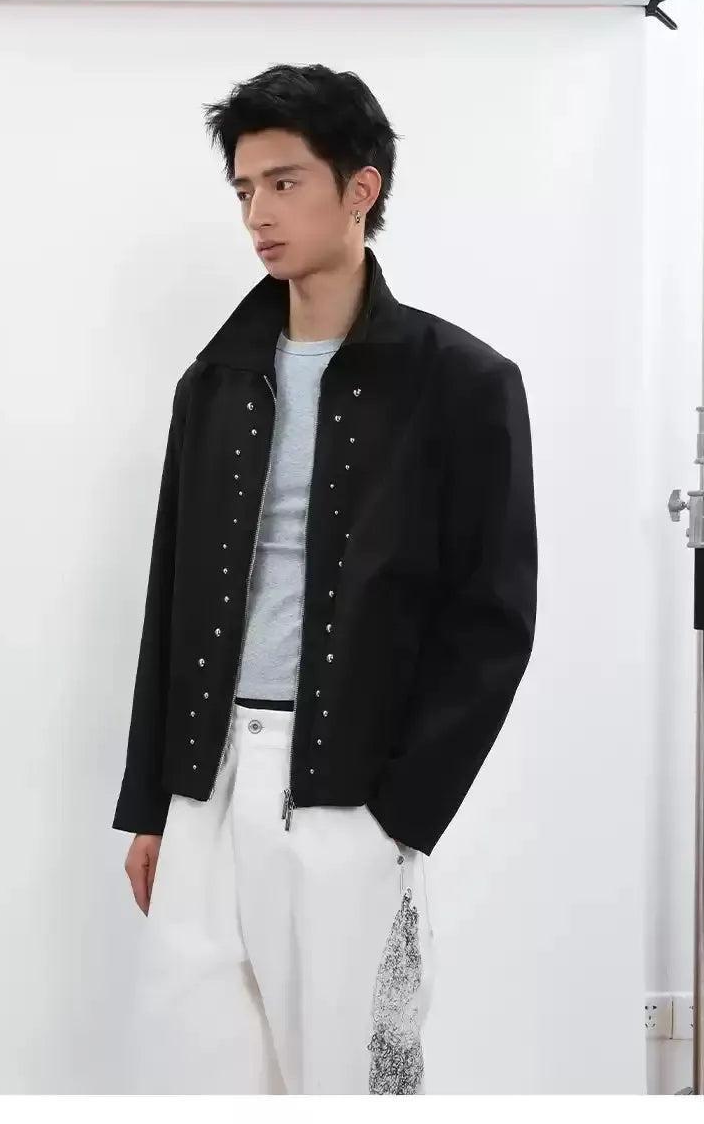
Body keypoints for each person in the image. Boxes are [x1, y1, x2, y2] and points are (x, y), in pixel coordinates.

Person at [113, 63, 538, 1095]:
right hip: (207, 777)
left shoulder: (462, 382)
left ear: (361, 188)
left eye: (284, 182)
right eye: (244, 189)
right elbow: (171, 595)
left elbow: (495, 615)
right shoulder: (214, 382)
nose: (257, 214)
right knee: (198, 1077)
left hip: (351, 793)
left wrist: (403, 810)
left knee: (353, 1079)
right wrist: (152, 804)